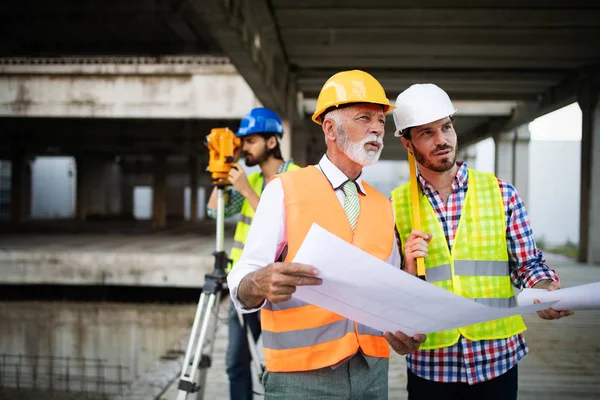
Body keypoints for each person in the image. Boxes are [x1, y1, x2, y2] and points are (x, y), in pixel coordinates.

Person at [227, 69, 426, 399]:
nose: (377, 127)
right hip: (300, 379)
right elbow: (242, 280)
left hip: (372, 376)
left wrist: (403, 323)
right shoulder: (284, 190)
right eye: (364, 117)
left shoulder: (383, 206)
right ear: (330, 129)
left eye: (380, 120)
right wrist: (258, 282)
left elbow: (384, 293)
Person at [389, 83, 574, 400]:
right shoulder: (395, 206)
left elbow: (527, 263)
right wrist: (407, 269)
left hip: (496, 359)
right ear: (407, 143)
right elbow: (390, 290)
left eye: (446, 127)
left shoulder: (502, 194)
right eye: (426, 133)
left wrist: (542, 288)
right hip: (432, 364)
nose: (442, 140)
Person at [206, 107, 300, 400]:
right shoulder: (254, 179)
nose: (243, 146)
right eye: (242, 141)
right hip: (245, 286)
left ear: (271, 142)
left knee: (280, 365)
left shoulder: (299, 178)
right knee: (236, 362)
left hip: (279, 290)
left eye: (250, 140)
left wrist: (246, 191)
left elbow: (288, 229)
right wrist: (225, 165)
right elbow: (213, 210)